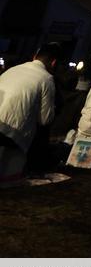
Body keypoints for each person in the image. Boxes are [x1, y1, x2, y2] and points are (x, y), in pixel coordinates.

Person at [0, 43, 60, 182]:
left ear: (34, 57)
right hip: (11, 134)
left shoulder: (12, 70)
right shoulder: (46, 78)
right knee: (41, 129)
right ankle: (33, 167)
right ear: (53, 62)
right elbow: (45, 120)